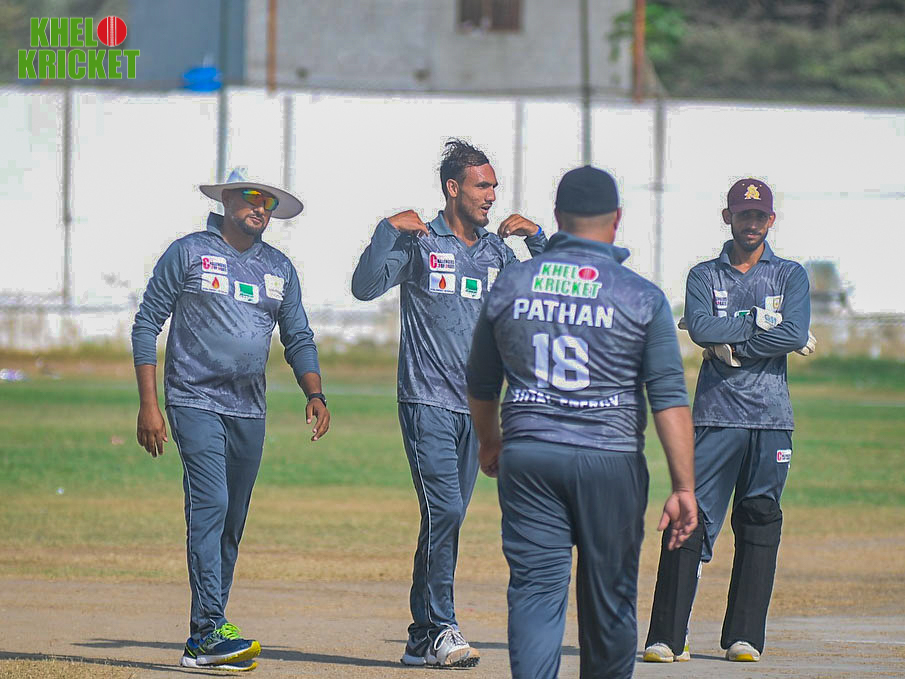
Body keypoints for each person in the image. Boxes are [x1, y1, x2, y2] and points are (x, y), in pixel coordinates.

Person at [465, 165, 698, 679]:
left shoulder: (513, 283)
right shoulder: (641, 295)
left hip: (530, 455)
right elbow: (668, 398)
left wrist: (490, 441)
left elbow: (481, 381)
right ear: (617, 219)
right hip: (609, 462)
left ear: (557, 217)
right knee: (610, 599)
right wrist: (684, 486)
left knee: (535, 592)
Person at [351, 139, 548, 668]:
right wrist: (386, 230)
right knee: (446, 511)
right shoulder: (420, 242)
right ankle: (442, 627)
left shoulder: (496, 253)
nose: (492, 195)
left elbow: (558, 291)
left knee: (445, 520)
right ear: (453, 188)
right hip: (426, 402)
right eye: (482, 185)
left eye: (494, 186)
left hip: (477, 411)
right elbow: (364, 287)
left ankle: (420, 637)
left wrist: (539, 240)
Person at [131, 168, 330, 672]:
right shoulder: (189, 252)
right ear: (226, 200)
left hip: (249, 409)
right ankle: (206, 632)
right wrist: (149, 405)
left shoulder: (279, 267)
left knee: (232, 519)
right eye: (250, 197)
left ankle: (210, 632)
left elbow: (298, 336)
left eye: (268, 202)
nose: (259, 207)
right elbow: (146, 324)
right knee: (211, 504)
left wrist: (315, 392)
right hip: (193, 399)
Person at [643, 178, 812, 664]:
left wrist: (733, 345)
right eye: (743, 214)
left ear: (771, 220)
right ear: (728, 218)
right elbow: (699, 326)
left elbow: (795, 332)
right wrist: (765, 327)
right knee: (690, 517)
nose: (751, 223)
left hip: (771, 419)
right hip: (716, 416)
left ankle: (744, 637)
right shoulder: (704, 275)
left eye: (759, 216)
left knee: (759, 519)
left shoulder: (790, 275)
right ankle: (667, 637)